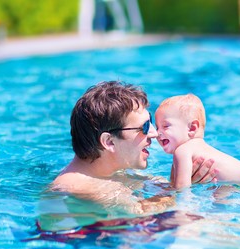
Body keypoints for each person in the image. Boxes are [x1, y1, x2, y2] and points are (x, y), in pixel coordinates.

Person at [49, 81, 216, 217]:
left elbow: (163, 190)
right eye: (143, 127)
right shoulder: (80, 187)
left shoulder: (112, 171)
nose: (154, 133)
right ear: (109, 142)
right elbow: (140, 213)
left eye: (150, 121)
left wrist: (184, 178)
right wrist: (182, 190)